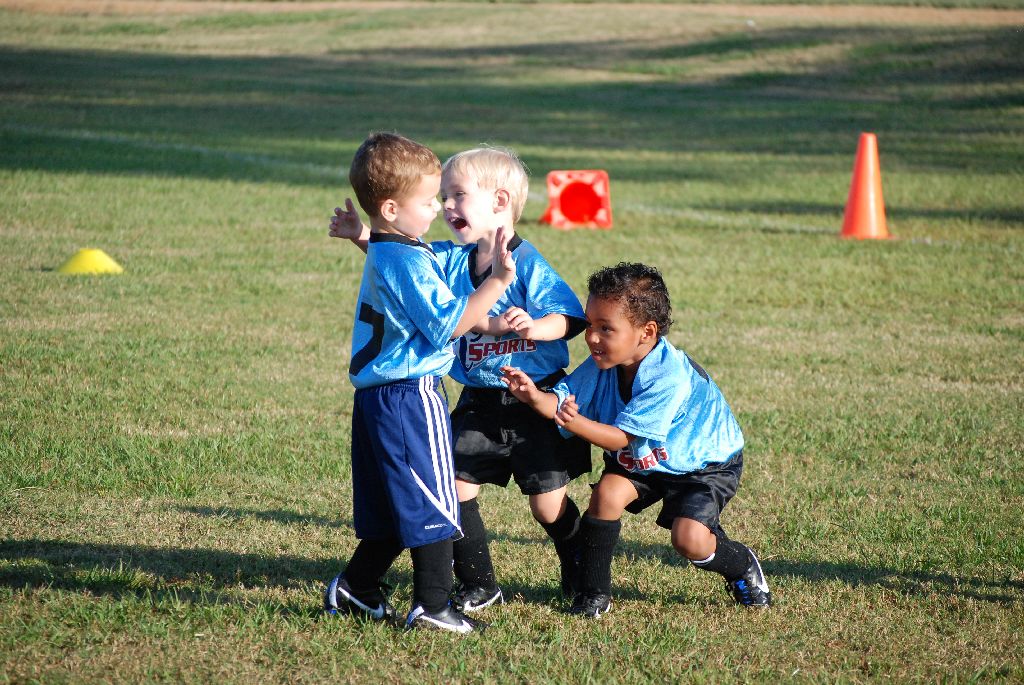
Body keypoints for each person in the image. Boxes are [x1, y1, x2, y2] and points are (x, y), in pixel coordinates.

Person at [330, 146, 592, 613]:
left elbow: (569, 316)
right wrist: (361, 234)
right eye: (442, 196)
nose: (445, 206)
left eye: (457, 195)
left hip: (533, 400)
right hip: (479, 399)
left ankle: (581, 568)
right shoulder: (451, 259)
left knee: (547, 505)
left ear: (499, 201)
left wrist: (536, 327)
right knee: (452, 489)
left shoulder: (525, 262)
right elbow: (404, 264)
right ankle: (479, 583)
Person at [321, 132, 515, 634]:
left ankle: (357, 587)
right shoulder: (405, 257)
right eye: (429, 200)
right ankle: (432, 604)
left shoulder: (391, 246)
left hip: (379, 397)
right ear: (391, 208)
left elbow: (390, 258)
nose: (437, 208)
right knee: (434, 499)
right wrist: (496, 281)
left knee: (396, 504)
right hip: (410, 393)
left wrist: (360, 234)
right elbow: (448, 325)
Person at [501, 262, 771, 618]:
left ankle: (741, 565)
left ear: (647, 332)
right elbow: (562, 402)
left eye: (605, 328)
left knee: (689, 540)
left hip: (702, 463)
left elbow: (618, 439)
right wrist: (535, 396)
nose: (592, 337)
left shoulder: (668, 376)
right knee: (606, 495)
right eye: (590, 325)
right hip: (646, 457)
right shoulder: (605, 362)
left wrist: (575, 421)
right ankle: (593, 595)